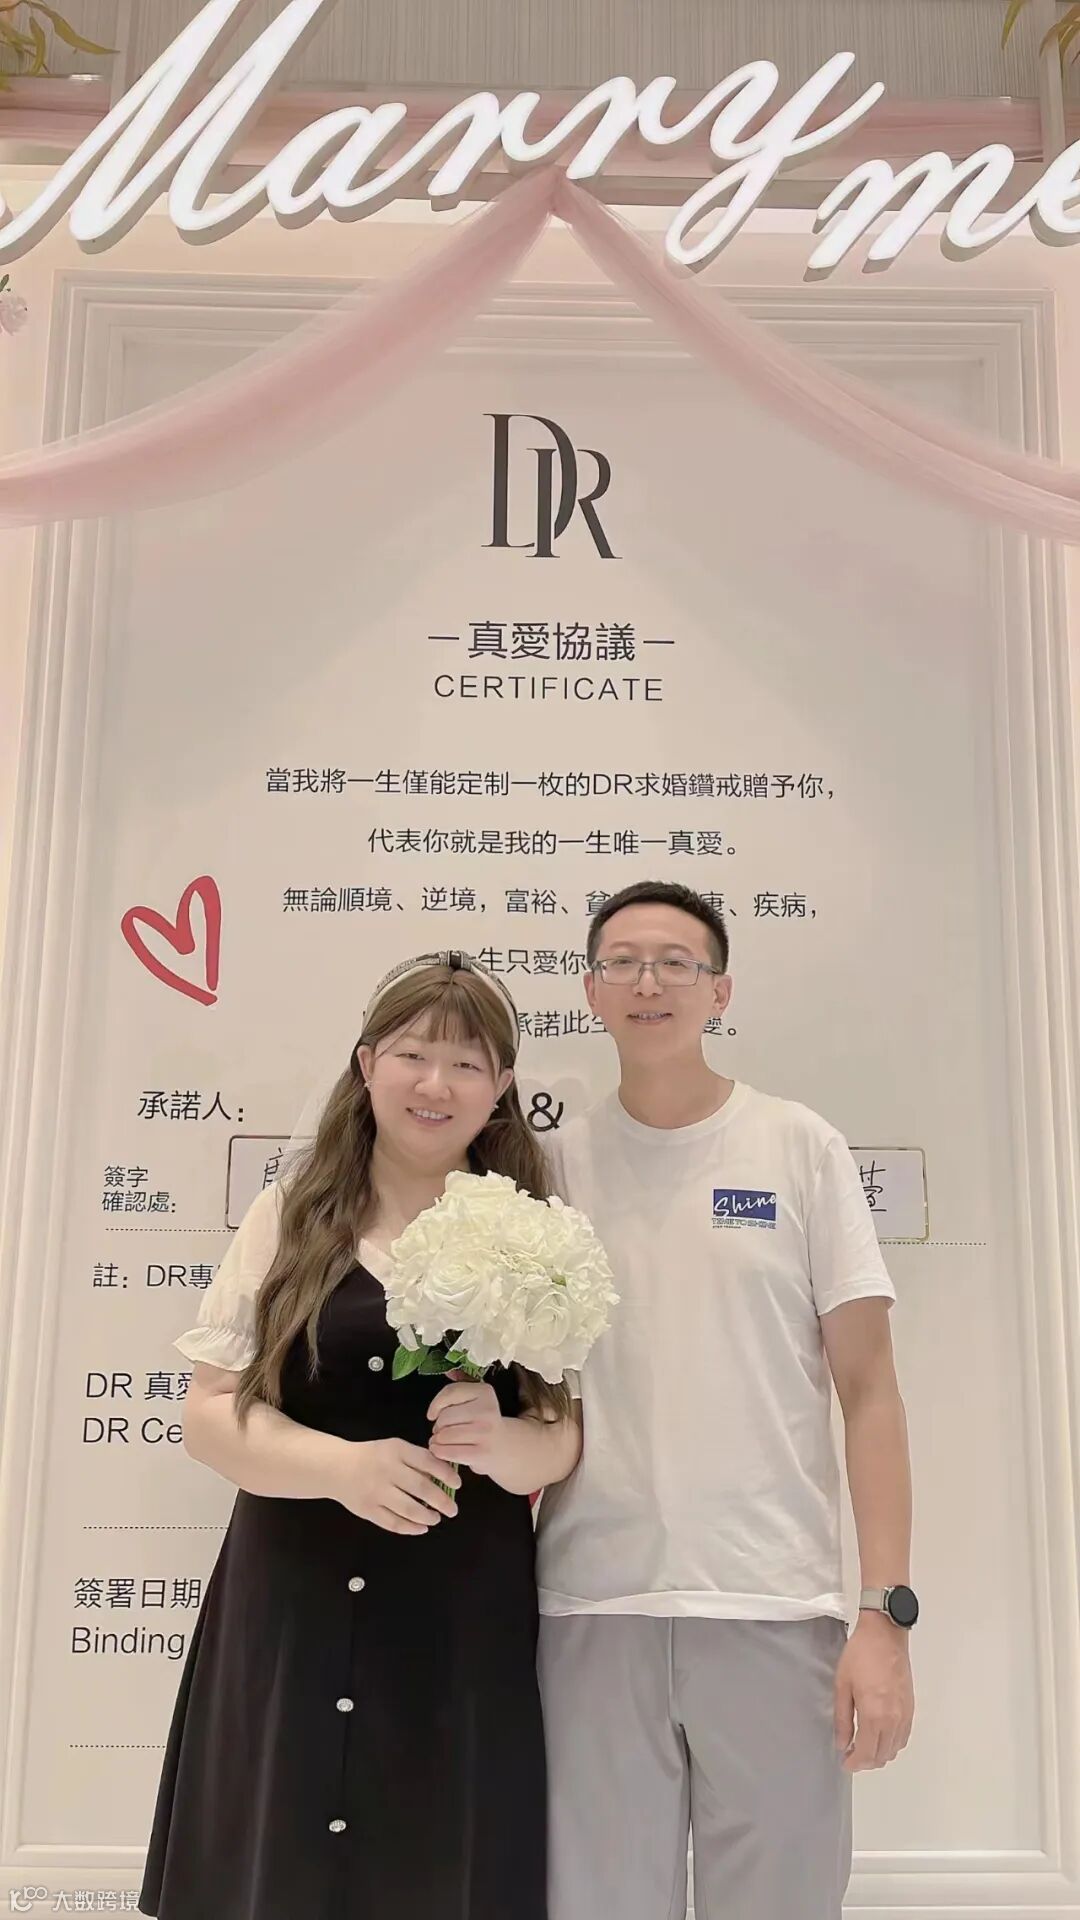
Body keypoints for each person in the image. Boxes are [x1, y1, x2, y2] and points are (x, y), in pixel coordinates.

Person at [139, 951, 581, 1920]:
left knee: (437, 1864)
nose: (436, 1084)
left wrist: (498, 1439)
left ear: (501, 1087)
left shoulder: (535, 1234)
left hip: (457, 1615)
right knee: (279, 1862)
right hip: (290, 1604)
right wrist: (340, 1468)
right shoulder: (290, 1218)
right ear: (367, 1063)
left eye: (466, 1064)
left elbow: (562, 1437)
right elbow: (209, 1414)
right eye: (413, 1054)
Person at [535, 880, 916, 1920]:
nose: (648, 982)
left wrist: (884, 1616)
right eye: (622, 962)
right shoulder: (553, 1167)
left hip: (772, 1607)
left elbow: (871, 1394)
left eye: (676, 962)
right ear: (590, 991)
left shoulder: (798, 1147)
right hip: (590, 1610)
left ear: (720, 991)